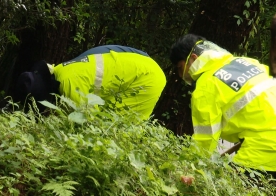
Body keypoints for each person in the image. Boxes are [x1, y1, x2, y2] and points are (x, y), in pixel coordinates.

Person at [169, 34, 276, 177]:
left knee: (239, 186)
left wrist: (189, 171)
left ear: (194, 58)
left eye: (180, 67)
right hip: (266, 139)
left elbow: (205, 140)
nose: (180, 74)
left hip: (265, 147)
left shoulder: (206, 86)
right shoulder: (245, 62)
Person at [15, 45, 166, 119]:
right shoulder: (60, 70)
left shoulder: (68, 86)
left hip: (146, 77)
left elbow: (89, 121)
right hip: (139, 62)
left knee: (117, 125)